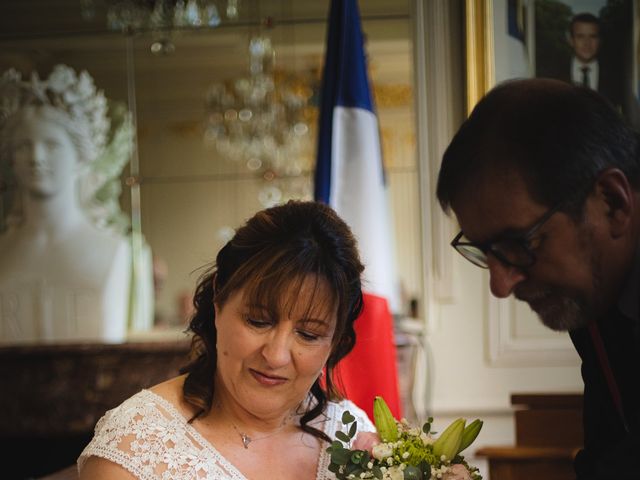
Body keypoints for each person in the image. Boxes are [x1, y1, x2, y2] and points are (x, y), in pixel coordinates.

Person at [78, 200, 375, 480]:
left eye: (309, 334)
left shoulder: (351, 434)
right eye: (258, 321)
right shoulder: (133, 449)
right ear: (219, 301)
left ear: (335, 341)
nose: (276, 355)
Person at [436, 78, 639, 479]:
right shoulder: (592, 291)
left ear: (612, 202)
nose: (500, 285)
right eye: (486, 253)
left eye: (517, 244)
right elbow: (611, 457)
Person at [0, 65, 131, 343]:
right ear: (11, 157)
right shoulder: (5, 250)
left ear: (81, 156)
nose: (36, 157)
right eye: (23, 146)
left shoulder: (111, 250)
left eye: (52, 145)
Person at [561, 13, 622, 108]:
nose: (587, 43)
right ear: (571, 41)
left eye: (593, 36)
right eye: (580, 37)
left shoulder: (615, 77)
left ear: (600, 40)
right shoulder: (554, 76)